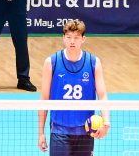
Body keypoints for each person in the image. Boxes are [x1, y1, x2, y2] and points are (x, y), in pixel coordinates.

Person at [38, 19, 110, 155]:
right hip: (59, 130)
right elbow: (44, 99)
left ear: (83, 39)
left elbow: (102, 95)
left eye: (76, 38)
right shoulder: (51, 62)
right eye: (69, 37)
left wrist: (106, 121)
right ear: (63, 38)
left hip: (85, 130)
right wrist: (41, 133)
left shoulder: (93, 62)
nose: (72, 41)